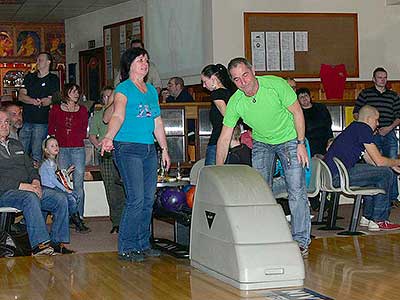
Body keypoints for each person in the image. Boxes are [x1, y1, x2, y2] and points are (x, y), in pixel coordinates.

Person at [216, 57, 311, 258]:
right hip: (262, 142)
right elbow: (224, 139)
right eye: (236, 79)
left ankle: (301, 241)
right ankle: (264, 236)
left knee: (296, 190)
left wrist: (301, 144)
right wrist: (218, 171)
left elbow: (297, 112)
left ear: (253, 71)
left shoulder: (276, 85)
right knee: (260, 192)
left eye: (245, 75)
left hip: (289, 139)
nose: (243, 82)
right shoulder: (236, 102)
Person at [101, 47, 171, 262]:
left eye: (147, 60)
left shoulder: (150, 90)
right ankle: (127, 247)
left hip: (149, 149)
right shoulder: (123, 89)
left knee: (148, 200)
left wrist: (165, 149)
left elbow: (157, 122)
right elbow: (118, 115)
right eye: (140, 60)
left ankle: (142, 244)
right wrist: (109, 137)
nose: (145, 63)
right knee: (135, 199)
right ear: (129, 64)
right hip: (128, 147)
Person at [0, 109, 72, 255]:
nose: (4, 125)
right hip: (5, 193)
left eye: (6, 122)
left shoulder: (16, 144)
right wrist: (24, 186)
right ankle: (40, 245)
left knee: (60, 198)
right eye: (0, 122)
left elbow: (31, 168)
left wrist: (36, 182)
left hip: (27, 189)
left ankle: (56, 242)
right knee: (30, 197)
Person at [325, 105, 400, 231]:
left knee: (380, 174)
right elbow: (380, 161)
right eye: (377, 120)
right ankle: (379, 220)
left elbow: (372, 161)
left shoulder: (355, 128)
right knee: (385, 173)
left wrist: (393, 165)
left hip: (332, 175)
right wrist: (396, 162)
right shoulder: (363, 129)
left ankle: (368, 217)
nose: (378, 123)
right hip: (339, 176)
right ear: (369, 119)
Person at [353, 67, 400, 204]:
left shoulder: (393, 95)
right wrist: (368, 128)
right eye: (380, 77)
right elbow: (357, 113)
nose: (382, 80)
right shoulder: (365, 94)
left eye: (385, 77)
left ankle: (392, 198)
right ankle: (375, 197)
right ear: (374, 79)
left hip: (389, 132)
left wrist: (389, 128)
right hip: (371, 134)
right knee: (375, 165)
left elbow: (398, 116)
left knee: (391, 163)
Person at [89, 86, 125, 234]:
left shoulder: (123, 113)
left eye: (112, 96)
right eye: (106, 96)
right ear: (102, 99)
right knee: (111, 190)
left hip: (123, 153)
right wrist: (98, 144)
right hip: (107, 155)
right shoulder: (98, 115)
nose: (109, 98)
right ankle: (116, 221)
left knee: (126, 189)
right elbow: (92, 134)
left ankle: (126, 221)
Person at [48, 83, 88, 218]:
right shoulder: (56, 109)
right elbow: (51, 129)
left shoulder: (82, 110)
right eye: (73, 91)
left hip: (78, 148)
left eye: (77, 91)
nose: (76, 94)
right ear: (66, 93)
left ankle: (79, 216)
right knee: (61, 182)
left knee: (79, 183)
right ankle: (62, 215)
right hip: (62, 149)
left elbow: (84, 130)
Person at [39, 136, 91, 233]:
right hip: (49, 188)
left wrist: (67, 172)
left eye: (57, 145)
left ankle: (73, 218)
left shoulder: (53, 162)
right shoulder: (49, 163)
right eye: (52, 146)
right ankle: (76, 221)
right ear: (46, 150)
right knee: (72, 197)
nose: (56, 147)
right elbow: (53, 180)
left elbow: (57, 176)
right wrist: (65, 189)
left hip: (52, 187)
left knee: (74, 196)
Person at [18, 52, 60, 165]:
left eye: (40, 60)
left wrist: (42, 102)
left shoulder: (53, 79)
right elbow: (21, 96)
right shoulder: (30, 77)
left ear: (48, 62)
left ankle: (36, 178)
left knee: (37, 152)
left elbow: (52, 99)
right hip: (26, 120)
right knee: (21, 151)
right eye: (37, 60)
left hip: (41, 121)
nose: (37, 62)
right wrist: (33, 101)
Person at [200, 63, 235, 165]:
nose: (203, 85)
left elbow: (228, 117)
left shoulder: (216, 94)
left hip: (218, 141)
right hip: (230, 141)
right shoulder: (231, 92)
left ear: (214, 78)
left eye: (205, 81)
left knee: (211, 176)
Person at [297, 87, 333, 156]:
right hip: (308, 144)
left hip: (324, 140)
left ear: (310, 97)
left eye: (306, 96)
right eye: (301, 97)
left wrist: (330, 139)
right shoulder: (298, 112)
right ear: (298, 100)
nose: (304, 98)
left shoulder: (321, 107)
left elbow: (328, 124)